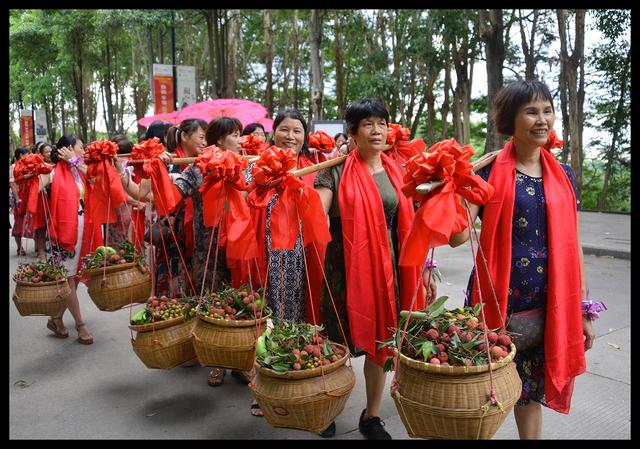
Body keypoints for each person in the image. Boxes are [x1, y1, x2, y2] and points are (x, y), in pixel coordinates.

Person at [449, 80, 596, 439]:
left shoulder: (564, 175)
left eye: (547, 110)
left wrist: (583, 309)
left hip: (549, 303)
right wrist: (451, 186)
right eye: (531, 111)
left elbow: (574, 246)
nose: (542, 119)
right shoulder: (486, 172)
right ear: (510, 120)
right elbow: (455, 236)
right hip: (497, 300)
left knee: (529, 392)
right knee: (484, 389)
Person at [314, 98, 436, 440]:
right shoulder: (333, 170)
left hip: (391, 269)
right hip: (344, 269)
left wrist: (427, 267)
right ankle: (325, 408)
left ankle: (372, 414)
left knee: (382, 340)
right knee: (336, 344)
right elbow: (317, 210)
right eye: (368, 123)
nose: (377, 129)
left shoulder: (399, 171)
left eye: (382, 123)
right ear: (352, 133)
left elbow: (416, 224)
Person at [39, 135, 95, 344]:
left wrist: (76, 162)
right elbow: (35, 187)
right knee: (68, 278)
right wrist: (30, 172)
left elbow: (96, 179)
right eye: (82, 147)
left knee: (76, 276)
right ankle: (80, 325)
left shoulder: (82, 170)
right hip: (63, 235)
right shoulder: (53, 172)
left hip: (84, 232)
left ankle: (55, 318)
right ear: (69, 148)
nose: (84, 150)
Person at [10, 146, 30, 256]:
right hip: (19, 200)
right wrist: (18, 199)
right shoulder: (13, 167)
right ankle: (19, 247)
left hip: (28, 198)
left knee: (30, 223)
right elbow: (13, 185)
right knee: (19, 224)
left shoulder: (28, 166)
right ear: (21, 155)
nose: (29, 156)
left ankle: (37, 247)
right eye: (27, 154)